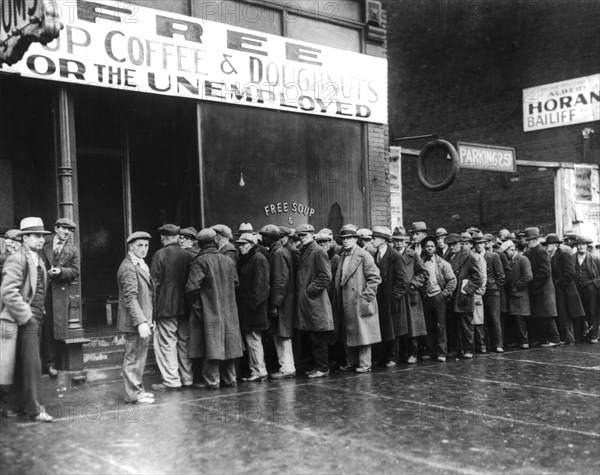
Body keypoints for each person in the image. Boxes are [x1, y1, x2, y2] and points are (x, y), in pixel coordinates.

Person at [1, 217, 55, 421]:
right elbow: (8, 291)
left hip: (36, 318)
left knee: (27, 364)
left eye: (42, 235)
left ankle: (22, 406)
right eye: (36, 235)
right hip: (24, 320)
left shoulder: (36, 258)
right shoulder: (18, 258)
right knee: (32, 364)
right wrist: (27, 316)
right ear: (25, 238)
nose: (41, 239)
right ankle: (34, 409)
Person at [186, 229, 244, 388]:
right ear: (214, 241)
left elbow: (192, 289)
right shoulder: (227, 260)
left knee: (211, 346)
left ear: (199, 243)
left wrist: (196, 306)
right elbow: (236, 284)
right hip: (229, 311)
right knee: (229, 346)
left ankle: (213, 381)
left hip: (209, 311)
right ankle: (230, 379)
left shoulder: (200, 261)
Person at [151, 224, 194, 391]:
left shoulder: (159, 255)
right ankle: (187, 378)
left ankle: (171, 380)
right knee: (184, 343)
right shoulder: (188, 255)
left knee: (167, 343)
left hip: (166, 307)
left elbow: (154, 284)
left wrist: (152, 310)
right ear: (177, 237)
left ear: (163, 238)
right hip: (185, 307)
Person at [334, 224, 382, 372]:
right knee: (348, 332)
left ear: (355, 239)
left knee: (363, 333)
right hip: (345, 299)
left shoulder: (364, 255)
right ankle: (351, 361)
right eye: (343, 239)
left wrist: (366, 298)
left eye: (349, 238)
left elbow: (375, 278)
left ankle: (364, 364)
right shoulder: (342, 256)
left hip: (359, 300)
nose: (346, 241)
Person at [117, 231, 155, 404]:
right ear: (131, 247)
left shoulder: (139, 265)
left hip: (142, 320)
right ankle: (133, 394)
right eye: (140, 245)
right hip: (134, 322)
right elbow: (130, 298)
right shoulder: (128, 267)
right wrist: (141, 322)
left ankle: (137, 391)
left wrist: (148, 319)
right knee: (133, 357)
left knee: (138, 356)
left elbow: (146, 296)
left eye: (146, 245)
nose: (144, 249)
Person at [40, 217, 80, 377]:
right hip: (39, 288)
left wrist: (61, 272)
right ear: (56, 228)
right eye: (64, 229)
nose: (67, 233)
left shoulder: (73, 248)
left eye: (70, 230)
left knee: (53, 328)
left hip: (58, 293)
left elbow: (76, 270)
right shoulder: (43, 241)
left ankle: (50, 364)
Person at [295, 224, 334, 378]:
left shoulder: (318, 251)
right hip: (309, 302)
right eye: (299, 235)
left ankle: (322, 368)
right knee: (313, 336)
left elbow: (326, 277)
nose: (302, 238)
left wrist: (309, 291)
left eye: (304, 235)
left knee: (319, 337)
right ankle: (318, 367)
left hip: (316, 301)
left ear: (312, 234)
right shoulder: (303, 250)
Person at [261, 225, 296, 379]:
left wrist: (275, 304)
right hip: (283, 301)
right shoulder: (279, 251)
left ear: (269, 238)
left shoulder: (278, 253)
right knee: (281, 334)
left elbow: (280, 281)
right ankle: (286, 366)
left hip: (281, 302)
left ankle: (287, 367)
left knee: (282, 335)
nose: (262, 239)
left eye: (264, 236)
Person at [371, 226, 407, 367]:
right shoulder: (376, 255)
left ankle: (393, 357)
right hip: (380, 298)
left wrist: (394, 297)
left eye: (374, 238)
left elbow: (402, 281)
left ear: (382, 240)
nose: (372, 241)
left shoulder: (395, 256)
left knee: (394, 329)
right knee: (384, 328)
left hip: (391, 300)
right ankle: (383, 356)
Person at [236, 232, 270, 382]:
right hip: (252, 309)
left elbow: (262, 287)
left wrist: (253, 305)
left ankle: (259, 370)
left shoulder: (258, 259)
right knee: (253, 340)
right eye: (240, 245)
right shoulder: (252, 259)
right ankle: (256, 369)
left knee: (254, 340)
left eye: (243, 244)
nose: (240, 247)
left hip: (254, 310)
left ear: (251, 245)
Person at [445, 233, 484, 359]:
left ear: (460, 244)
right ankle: (456, 349)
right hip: (451, 296)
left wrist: (466, 290)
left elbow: (478, 278)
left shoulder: (468, 256)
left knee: (466, 324)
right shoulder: (447, 256)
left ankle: (468, 349)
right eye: (450, 245)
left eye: (454, 244)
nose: (452, 247)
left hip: (462, 296)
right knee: (453, 325)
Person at [420, 235, 456, 362]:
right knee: (428, 326)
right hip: (425, 298)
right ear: (423, 248)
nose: (429, 249)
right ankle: (430, 351)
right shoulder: (420, 262)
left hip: (438, 297)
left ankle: (442, 353)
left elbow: (452, 281)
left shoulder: (442, 264)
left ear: (435, 248)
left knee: (441, 326)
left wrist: (443, 294)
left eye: (431, 246)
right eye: (427, 247)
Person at [545, 233, 585, 345]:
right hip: (559, 290)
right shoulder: (551, 256)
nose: (547, 246)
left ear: (555, 245)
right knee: (561, 313)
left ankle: (569, 338)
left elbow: (570, 272)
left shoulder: (563, 255)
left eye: (549, 244)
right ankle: (565, 337)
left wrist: (558, 283)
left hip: (566, 290)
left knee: (565, 314)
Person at [524, 227, 560, 347]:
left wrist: (533, 284)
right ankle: (543, 339)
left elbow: (545, 272)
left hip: (543, 289)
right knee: (540, 315)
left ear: (537, 239)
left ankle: (555, 339)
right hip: (538, 288)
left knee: (547, 315)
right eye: (528, 240)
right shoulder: (530, 252)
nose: (529, 242)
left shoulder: (541, 251)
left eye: (532, 239)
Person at [397, 226, 428, 364]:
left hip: (411, 295)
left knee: (412, 326)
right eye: (396, 240)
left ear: (405, 241)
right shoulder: (392, 255)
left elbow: (423, 273)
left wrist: (414, 283)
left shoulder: (413, 254)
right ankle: (401, 353)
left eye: (401, 240)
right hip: (398, 295)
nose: (398, 243)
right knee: (400, 325)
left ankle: (413, 353)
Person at [501, 240, 533, 349]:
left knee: (520, 319)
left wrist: (517, 287)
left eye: (507, 252)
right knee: (514, 318)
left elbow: (528, 276)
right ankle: (517, 340)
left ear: (512, 249)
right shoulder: (510, 260)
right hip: (512, 295)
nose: (506, 255)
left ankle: (524, 340)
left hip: (520, 294)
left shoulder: (522, 259)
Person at [479, 233, 505, 353]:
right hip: (480, 291)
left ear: (484, 244)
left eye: (481, 243)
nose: (479, 246)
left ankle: (498, 344)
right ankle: (486, 345)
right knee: (482, 319)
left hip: (492, 291)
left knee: (494, 318)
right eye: (476, 244)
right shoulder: (474, 257)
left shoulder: (493, 256)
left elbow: (501, 275)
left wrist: (495, 287)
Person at [573, 236, 600, 344]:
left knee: (593, 311)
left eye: (583, 244)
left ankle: (594, 335)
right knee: (579, 311)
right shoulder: (572, 257)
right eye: (579, 244)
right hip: (577, 288)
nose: (581, 246)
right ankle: (579, 335)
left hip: (591, 288)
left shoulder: (595, 258)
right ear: (576, 246)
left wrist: (595, 284)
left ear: (587, 246)